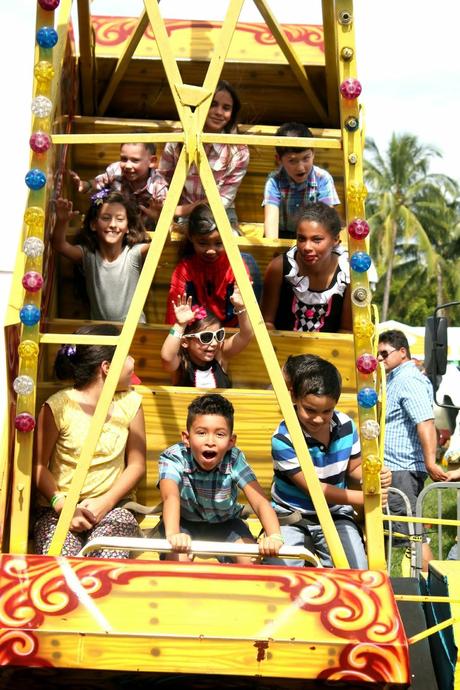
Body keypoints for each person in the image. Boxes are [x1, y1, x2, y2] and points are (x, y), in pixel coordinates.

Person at [33, 324, 146, 558]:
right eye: (126, 356)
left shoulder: (130, 403)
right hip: (59, 510)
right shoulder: (59, 406)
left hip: (114, 508)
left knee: (108, 559)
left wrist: (106, 502)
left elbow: (136, 465)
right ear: (106, 368)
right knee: (60, 561)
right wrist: (63, 506)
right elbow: (38, 467)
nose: (133, 361)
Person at [267, 354, 390, 568]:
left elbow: (354, 468)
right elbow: (314, 489)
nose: (318, 418)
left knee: (355, 570)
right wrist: (365, 498)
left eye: (327, 411)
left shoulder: (346, 426)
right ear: (294, 397)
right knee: (282, 569)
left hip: (335, 514)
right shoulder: (283, 439)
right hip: (290, 515)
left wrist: (373, 476)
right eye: (310, 410)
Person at [157, 393, 283, 563]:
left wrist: (274, 536)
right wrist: (173, 533)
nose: (210, 441)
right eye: (201, 433)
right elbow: (169, 495)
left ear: (231, 441)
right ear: (187, 438)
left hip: (226, 523)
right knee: (176, 556)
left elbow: (260, 501)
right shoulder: (173, 457)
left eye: (220, 434)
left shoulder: (234, 459)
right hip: (183, 522)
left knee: (249, 559)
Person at [378, 329, 448, 570]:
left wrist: (430, 462)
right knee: (399, 538)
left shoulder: (409, 379)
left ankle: (429, 595)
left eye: (384, 353)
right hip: (395, 472)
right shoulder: (395, 378)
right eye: (377, 355)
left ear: (402, 352)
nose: (380, 359)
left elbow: (425, 423)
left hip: (402, 471)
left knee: (414, 539)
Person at [160, 80, 249, 229]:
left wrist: (178, 210)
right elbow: (162, 179)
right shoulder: (177, 141)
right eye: (213, 105)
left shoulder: (238, 150)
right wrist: (166, 208)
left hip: (221, 212)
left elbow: (222, 200)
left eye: (226, 108)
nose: (219, 112)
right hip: (180, 213)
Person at [52, 191, 151, 322]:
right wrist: (62, 221)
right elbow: (60, 245)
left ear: (128, 227)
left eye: (120, 219)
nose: (113, 225)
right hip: (101, 334)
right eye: (106, 218)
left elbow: (162, 243)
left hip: (134, 333)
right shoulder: (89, 256)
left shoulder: (132, 254)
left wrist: (160, 217)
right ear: (93, 224)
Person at [165, 203, 261, 327]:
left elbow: (250, 319)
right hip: (197, 337)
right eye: (203, 243)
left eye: (218, 243)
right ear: (191, 237)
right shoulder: (184, 270)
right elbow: (172, 319)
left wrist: (241, 307)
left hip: (233, 333)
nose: (211, 250)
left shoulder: (237, 267)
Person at [261, 202, 351, 332]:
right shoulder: (279, 267)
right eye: (301, 239)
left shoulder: (347, 274)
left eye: (317, 240)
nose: (307, 247)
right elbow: (266, 323)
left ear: (336, 240)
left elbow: (346, 330)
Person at [161, 287, 252, 387]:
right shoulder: (182, 365)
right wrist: (180, 325)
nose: (214, 343)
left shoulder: (220, 356)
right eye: (206, 337)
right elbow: (167, 357)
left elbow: (245, 335)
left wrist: (241, 308)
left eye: (218, 335)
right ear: (185, 342)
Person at [263, 122, 340, 239]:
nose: (300, 167)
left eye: (306, 158)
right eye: (292, 161)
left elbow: (327, 221)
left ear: (313, 153)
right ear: (279, 159)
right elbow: (271, 222)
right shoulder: (274, 181)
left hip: (313, 235)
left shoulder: (323, 179)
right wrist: (273, 246)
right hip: (283, 234)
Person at [70, 142, 168, 228]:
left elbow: (166, 214)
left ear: (152, 161)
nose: (128, 166)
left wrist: (158, 215)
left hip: (144, 230)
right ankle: (92, 226)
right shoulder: (116, 170)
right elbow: (99, 182)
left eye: (135, 160)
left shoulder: (158, 184)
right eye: (124, 159)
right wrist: (85, 185)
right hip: (115, 225)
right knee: (100, 196)